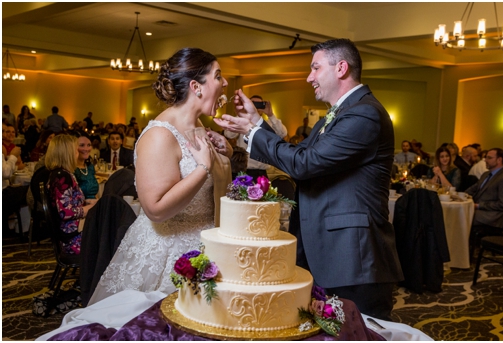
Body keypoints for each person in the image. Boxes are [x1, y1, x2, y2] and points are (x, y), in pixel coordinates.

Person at [215, 39, 402, 319]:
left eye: (315, 68)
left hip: (353, 257)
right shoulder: (338, 114)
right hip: (327, 250)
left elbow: (304, 164)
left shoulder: (364, 114)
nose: (309, 77)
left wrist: (253, 131)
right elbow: (301, 154)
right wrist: (257, 123)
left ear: (341, 68)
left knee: (358, 331)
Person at [91, 47, 229, 306]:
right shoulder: (159, 136)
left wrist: (225, 151)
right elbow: (154, 209)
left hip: (208, 247)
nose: (225, 83)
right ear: (196, 87)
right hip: (168, 253)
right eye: (218, 76)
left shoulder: (199, 127)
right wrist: (202, 170)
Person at [45, 134, 96, 256]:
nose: (77, 153)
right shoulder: (62, 177)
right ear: (67, 154)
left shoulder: (60, 173)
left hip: (74, 231)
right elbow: (65, 212)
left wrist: (89, 202)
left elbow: (69, 201)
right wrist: (89, 208)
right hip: (73, 238)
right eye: (75, 150)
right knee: (114, 234)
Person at [223, 95, 288, 179]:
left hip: (261, 172)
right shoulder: (243, 123)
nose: (255, 107)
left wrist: (270, 114)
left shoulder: (268, 124)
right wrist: (241, 114)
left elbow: (282, 133)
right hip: (243, 169)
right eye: (252, 104)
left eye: (258, 104)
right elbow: (228, 134)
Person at [465, 148, 503, 249]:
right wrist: (461, 195)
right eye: (486, 157)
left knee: (463, 215)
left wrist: (479, 206)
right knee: (460, 213)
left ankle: (463, 250)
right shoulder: (486, 174)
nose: (485, 160)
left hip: (492, 216)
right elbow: (473, 189)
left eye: (489, 158)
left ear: (499, 160)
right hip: (480, 211)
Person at [73, 132, 99, 199]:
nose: (86, 149)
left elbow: (95, 193)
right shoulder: (71, 169)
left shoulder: (90, 167)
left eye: (89, 145)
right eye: (82, 145)